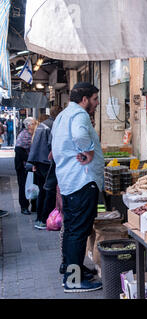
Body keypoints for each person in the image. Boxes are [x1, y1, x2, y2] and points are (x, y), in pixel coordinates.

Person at [51, 82, 103, 293]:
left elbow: (54, 143)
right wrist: (89, 152)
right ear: (84, 100)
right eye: (95, 99)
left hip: (69, 181)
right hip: (82, 181)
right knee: (78, 232)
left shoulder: (63, 115)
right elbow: (80, 136)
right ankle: (73, 281)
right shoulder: (79, 115)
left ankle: (72, 268)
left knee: (72, 229)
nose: (96, 103)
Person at [28, 106, 63, 230]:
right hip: (46, 162)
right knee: (49, 191)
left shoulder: (43, 124)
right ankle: (45, 219)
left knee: (42, 191)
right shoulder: (53, 125)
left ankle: (39, 219)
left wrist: (34, 163)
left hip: (38, 160)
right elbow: (52, 144)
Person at [14, 117, 37, 215]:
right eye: (33, 124)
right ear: (28, 126)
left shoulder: (29, 134)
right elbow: (19, 150)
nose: (35, 125)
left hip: (27, 165)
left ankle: (33, 206)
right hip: (23, 166)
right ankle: (24, 207)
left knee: (31, 185)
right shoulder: (25, 135)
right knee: (23, 186)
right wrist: (29, 159)